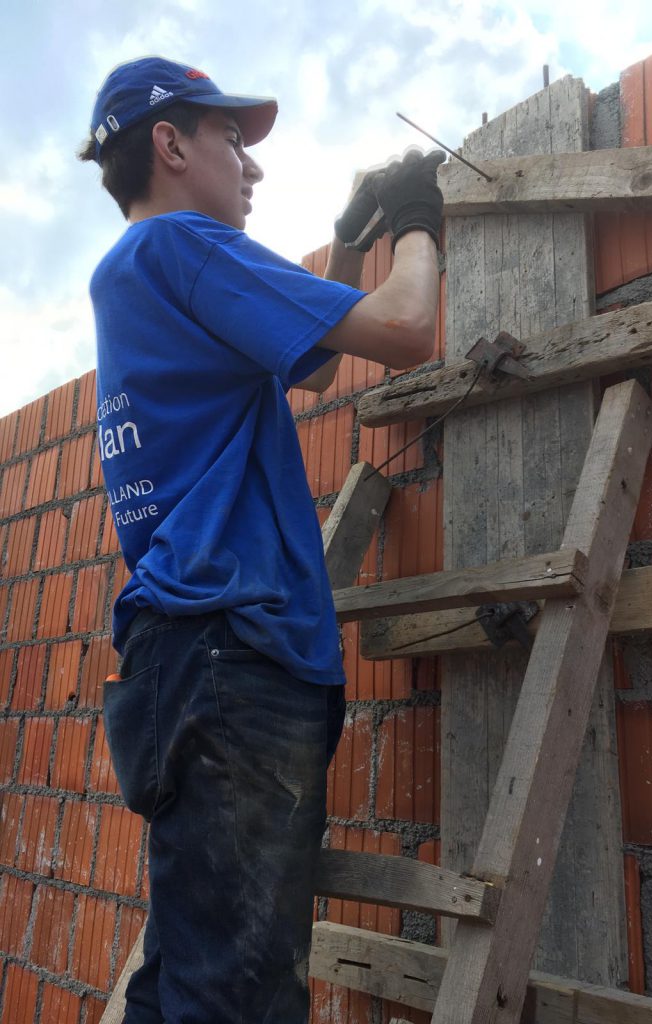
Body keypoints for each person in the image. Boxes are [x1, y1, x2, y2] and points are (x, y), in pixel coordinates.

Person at [79, 56, 443, 1024]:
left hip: (184, 662)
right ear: (169, 143)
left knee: (190, 981)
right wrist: (417, 214)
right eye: (233, 140)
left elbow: (314, 372)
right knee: (239, 1000)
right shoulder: (187, 248)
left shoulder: (136, 280)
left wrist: (343, 242)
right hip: (233, 658)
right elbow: (407, 329)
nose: (253, 167)